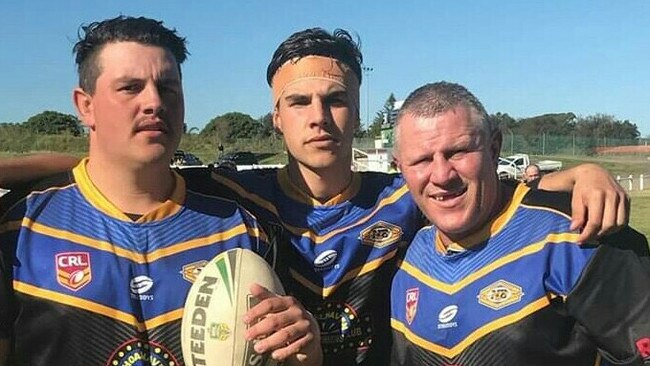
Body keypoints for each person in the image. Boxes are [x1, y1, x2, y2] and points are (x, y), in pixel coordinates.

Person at [0, 27, 632, 366]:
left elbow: (482, 185)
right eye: (298, 102)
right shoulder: (231, 198)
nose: (319, 117)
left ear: (359, 114)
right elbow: (125, 164)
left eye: (336, 100)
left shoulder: (406, 196)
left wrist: (578, 174)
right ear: (275, 118)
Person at [0, 16, 320, 366]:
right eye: (130, 87)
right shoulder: (20, 227)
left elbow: (286, 353)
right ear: (85, 106)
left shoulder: (242, 227)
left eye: (167, 87)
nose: (154, 101)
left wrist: (306, 352)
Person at [390, 81, 650, 366]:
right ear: (399, 167)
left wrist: (588, 172)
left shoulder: (576, 234)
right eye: (422, 160)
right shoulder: (407, 256)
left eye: (458, 152)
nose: (441, 174)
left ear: (493, 149)